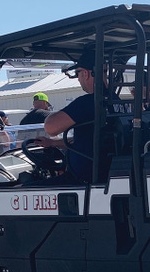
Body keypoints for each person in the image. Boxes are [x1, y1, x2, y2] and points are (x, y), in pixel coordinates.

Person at [33, 50, 100, 184]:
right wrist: (52, 143)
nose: (79, 79)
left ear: (85, 73)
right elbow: (84, 141)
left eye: (78, 74)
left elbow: (50, 127)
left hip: (82, 179)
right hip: (98, 172)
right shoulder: (115, 102)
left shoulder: (87, 103)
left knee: (25, 187)